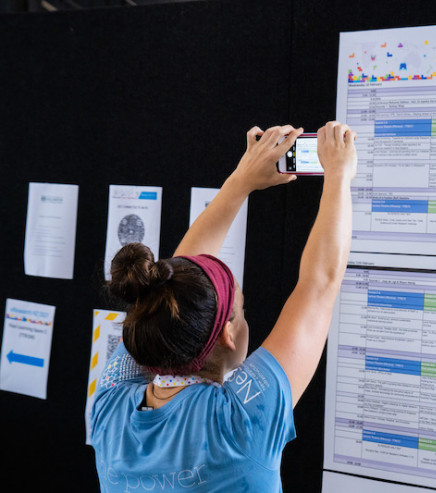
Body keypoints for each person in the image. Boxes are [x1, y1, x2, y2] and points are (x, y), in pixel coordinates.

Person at [90, 122, 357, 492]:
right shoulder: (239, 422)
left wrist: (242, 180)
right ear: (228, 333)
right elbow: (318, 285)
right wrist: (340, 173)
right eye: (241, 309)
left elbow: (172, 285)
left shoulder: (109, 410)